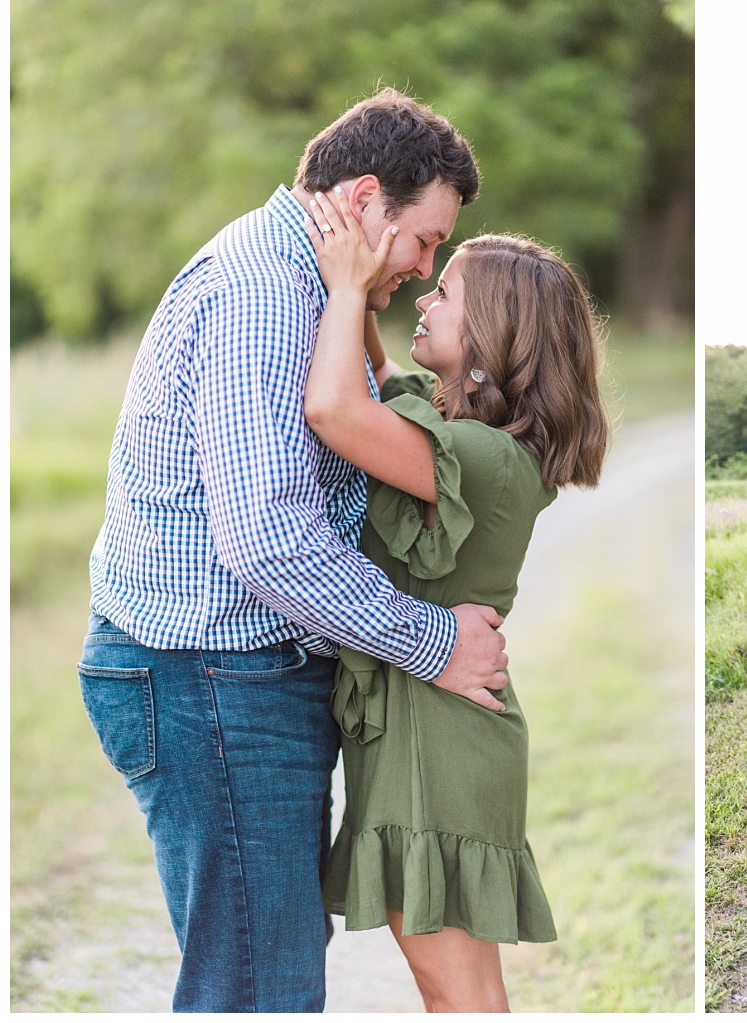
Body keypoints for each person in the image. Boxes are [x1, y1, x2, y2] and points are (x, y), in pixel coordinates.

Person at [77, 90, 511, 1012]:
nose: (424, 265)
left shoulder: (304, 281)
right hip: (211, 679)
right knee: (257, 989)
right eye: (425, 239)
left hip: (225, 676)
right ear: (363, 200)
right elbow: (269, 537)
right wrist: (436, 645)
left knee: (263, 966)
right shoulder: (266, 290)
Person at [301, 188, 609, 1011]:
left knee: (461, 995)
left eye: (447, 292)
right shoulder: (467, 443)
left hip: (439, 748)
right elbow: (381, 380)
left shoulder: (482, 460)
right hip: (421, 729)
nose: (426, 296)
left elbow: (336, 407)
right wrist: (366, 295)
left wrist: (340, 287)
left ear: (495, 334)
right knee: (453, 994)